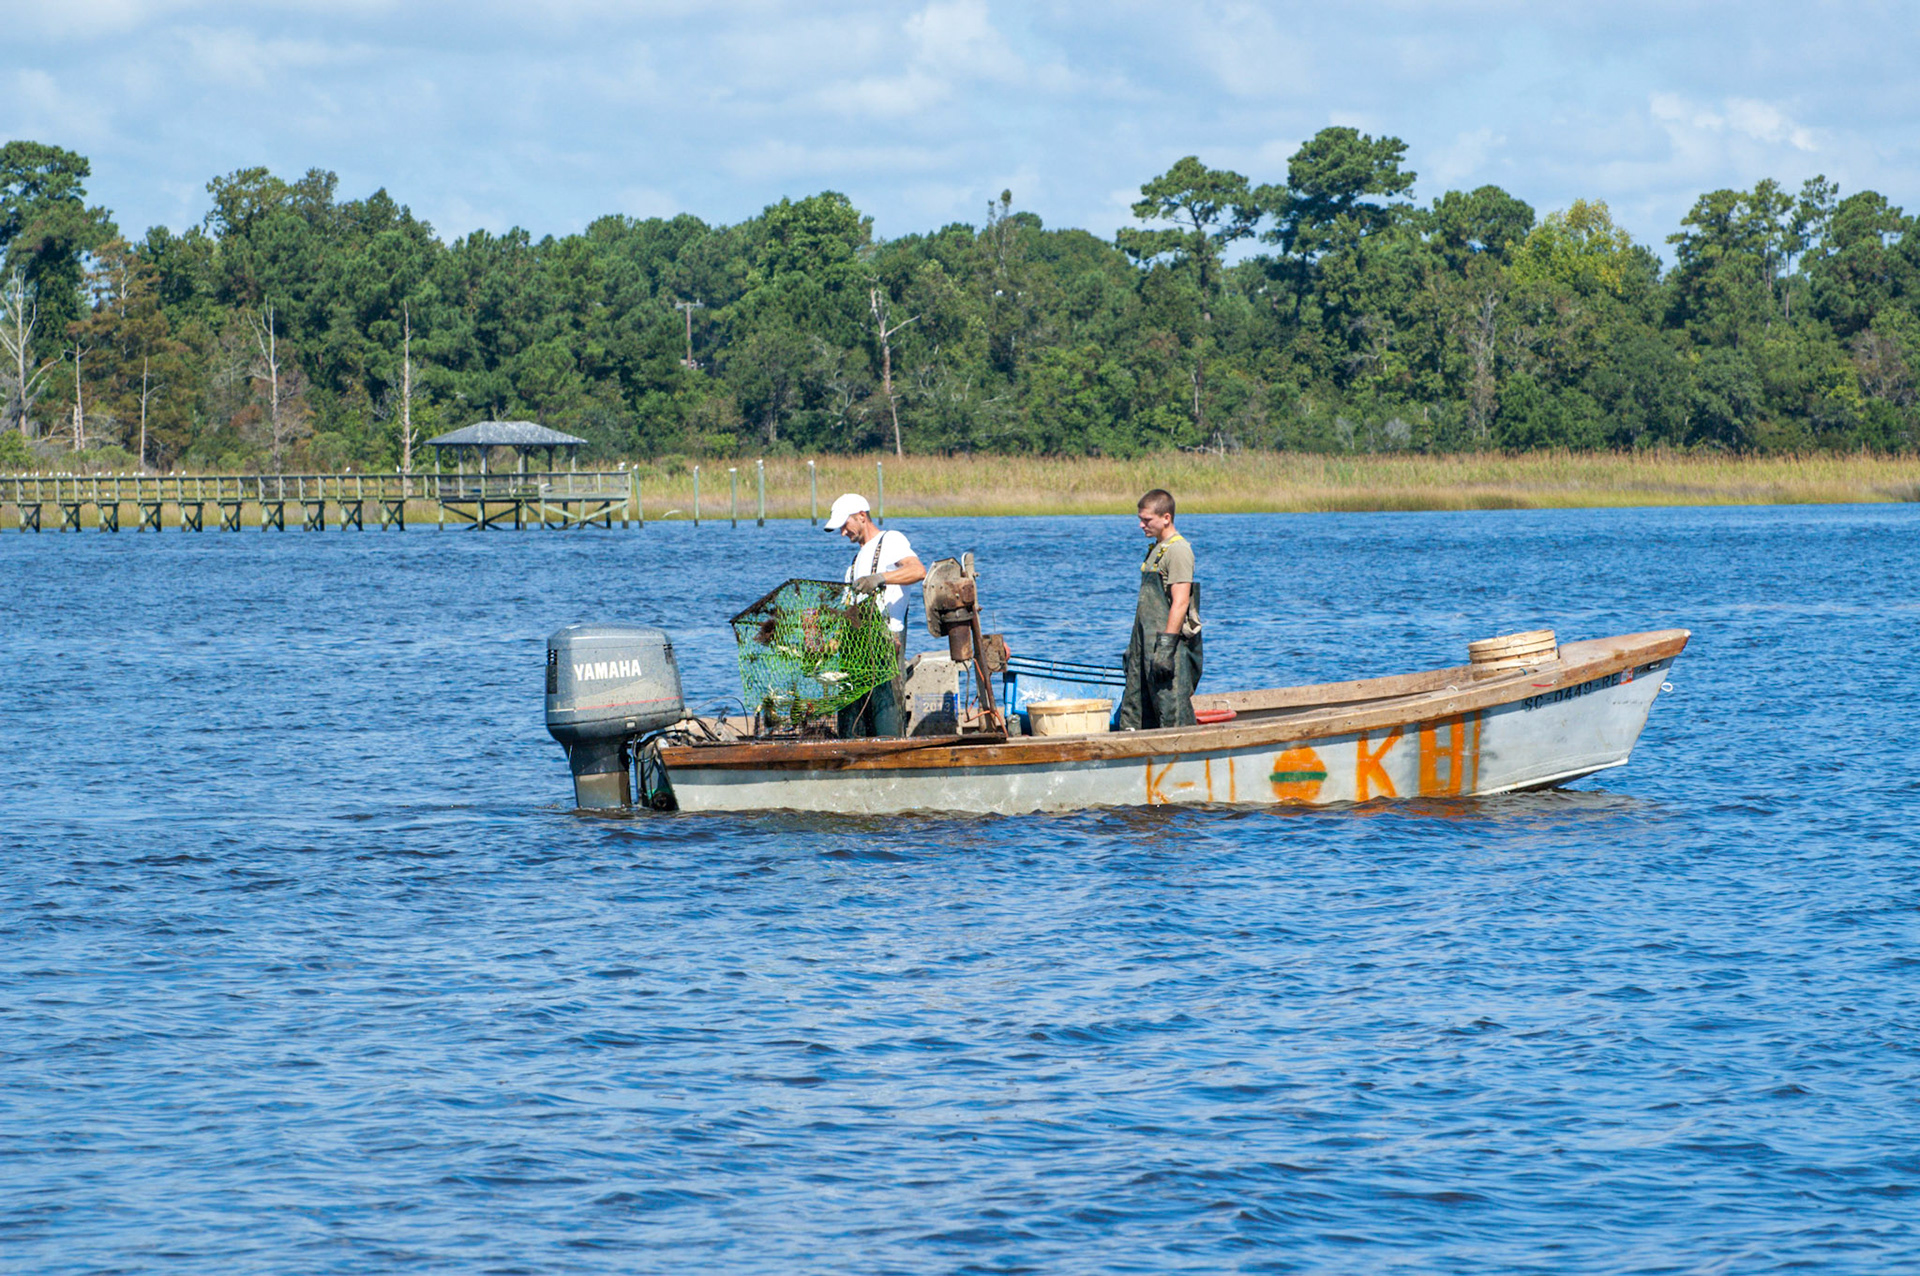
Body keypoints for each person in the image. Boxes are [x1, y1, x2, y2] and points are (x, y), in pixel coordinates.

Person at [824, 492, 926, 738]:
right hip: (855, 649)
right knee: (852, 724)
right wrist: (832, 640)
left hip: (886, 644)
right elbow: (849, 609)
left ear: (861, 516)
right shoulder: (855, 560)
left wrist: (880, 578)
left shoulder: (890, 540)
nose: (842, 533)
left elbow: (918, 570)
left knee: (885, 718)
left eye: (844, 525)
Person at [1119, 488, 1202, 730]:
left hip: (1168, 646)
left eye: (1147, 520)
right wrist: (1134, 649)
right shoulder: (1158, 547)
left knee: (1171, 707)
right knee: (1137, 704)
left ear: (1166, 518)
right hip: (1145, 644)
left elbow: (1180, 601)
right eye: (1140, 519)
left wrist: (1165, 649)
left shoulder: (1178, 550)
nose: (1141, 525)